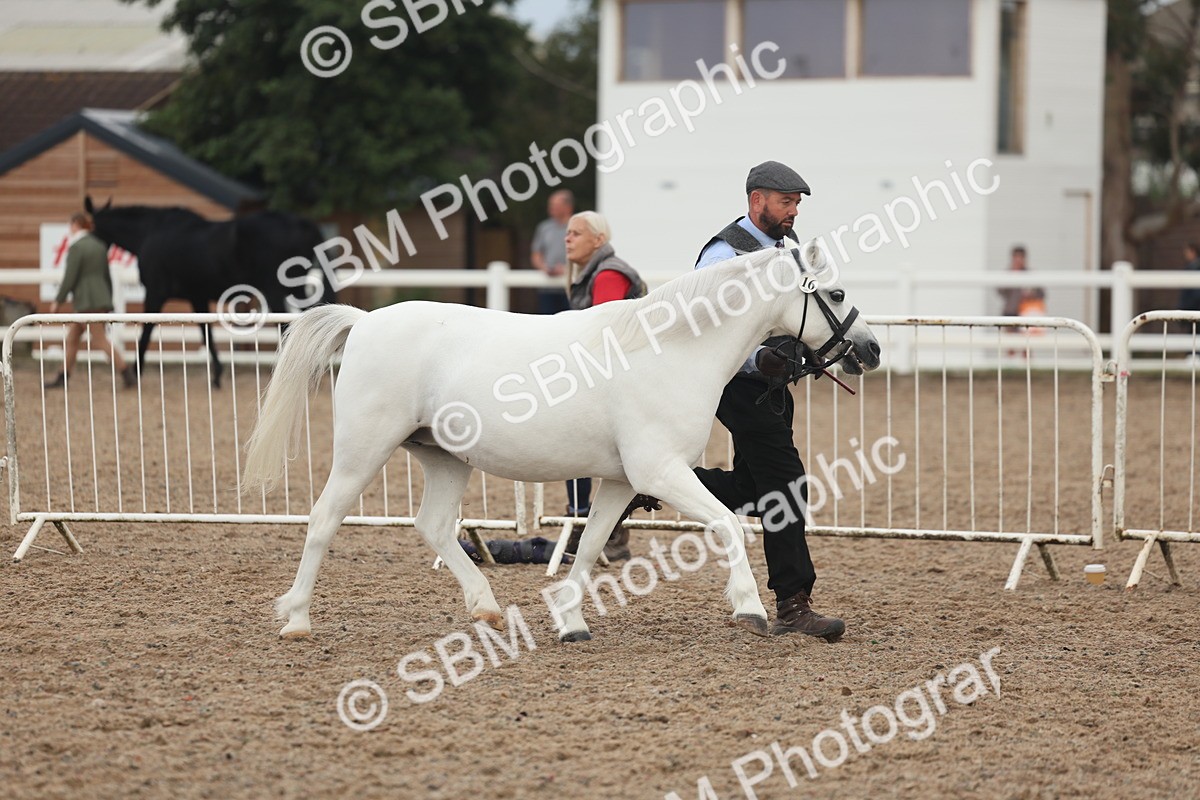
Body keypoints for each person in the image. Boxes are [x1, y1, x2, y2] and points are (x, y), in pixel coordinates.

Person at [689, 160, 845, 642]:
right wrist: (763, 360)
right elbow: (710, 330)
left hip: (769, 390)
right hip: (738, 387)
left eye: (796, 203)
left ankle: (660, 484)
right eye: (786, 202)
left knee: (754, 487)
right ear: (757, 200)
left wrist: (803, 349)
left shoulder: (786, 250)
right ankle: (793, 604)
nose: (794, 211)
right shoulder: (724, 257)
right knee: (786, 489)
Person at [562, 210, 647, 561]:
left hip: (614, 381)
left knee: (582, 450)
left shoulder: (609, 272)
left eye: (576, 233)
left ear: (598, 240)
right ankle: (587, 525)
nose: (567, 238)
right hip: (615, 377)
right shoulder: (596, 270)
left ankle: (596, 528)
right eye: (567, 232)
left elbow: (603, 331)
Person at [45, 212, 135, 389]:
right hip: (98, 300)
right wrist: (108, 301)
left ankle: (126, 372)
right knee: (72, 339)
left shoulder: (77, 247)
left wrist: (58, 300)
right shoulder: (99, 246)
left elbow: (70, 277)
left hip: (86, 302)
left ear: (76, 225)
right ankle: (63, 376)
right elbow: (106, 276)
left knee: (100, 340)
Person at [530, 190, 574, 315]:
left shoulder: (578, 227)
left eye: (556, 205)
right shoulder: (544, 228)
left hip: (571, 288)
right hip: (547, 288)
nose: (551, 208)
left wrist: (567, 270)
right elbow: (536, 254)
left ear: (568, 206)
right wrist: (544, 268)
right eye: (551, 205)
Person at [997, 246, 1045, 317]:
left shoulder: (1030, 274)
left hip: (1027, 312)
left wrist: (1031, 293)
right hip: (1010, 311)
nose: (1018, 260)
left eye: (1021, 257)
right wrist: (1012, 276)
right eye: (1016, 257)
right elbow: (1000, 291)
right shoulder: (1008, 273)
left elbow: (1041, 293)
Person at [1181, 243, 1200, 364]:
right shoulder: (1191, 266)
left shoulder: (1195, 267)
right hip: (1192, 305)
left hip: (1194, 306)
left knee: (1195, 332)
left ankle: (1194, 357)